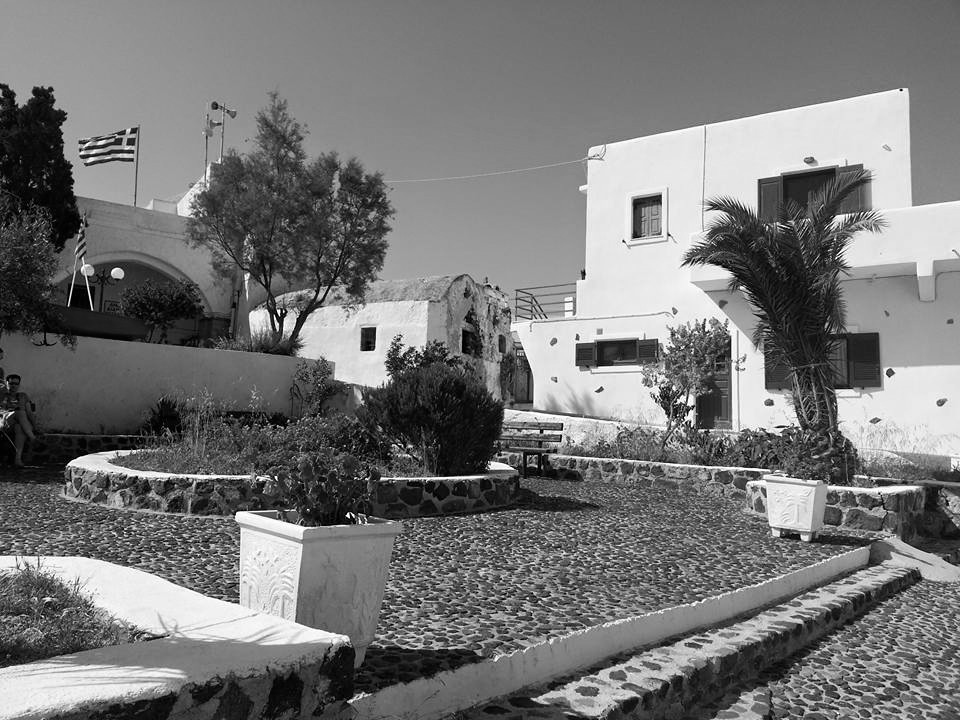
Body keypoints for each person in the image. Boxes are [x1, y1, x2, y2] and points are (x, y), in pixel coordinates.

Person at [1, 374, 37, 468]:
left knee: (19, 428)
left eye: (16, 384)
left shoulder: (23, 396)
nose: (13, 386)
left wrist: (35, 425)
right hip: (4, 421)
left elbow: (29, 413)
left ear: (19, 385)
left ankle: (17, 459)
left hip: (20, 423)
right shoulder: (2, 395)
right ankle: (32, 437)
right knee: (19, 412)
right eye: (11, 383)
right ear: (6, 383)